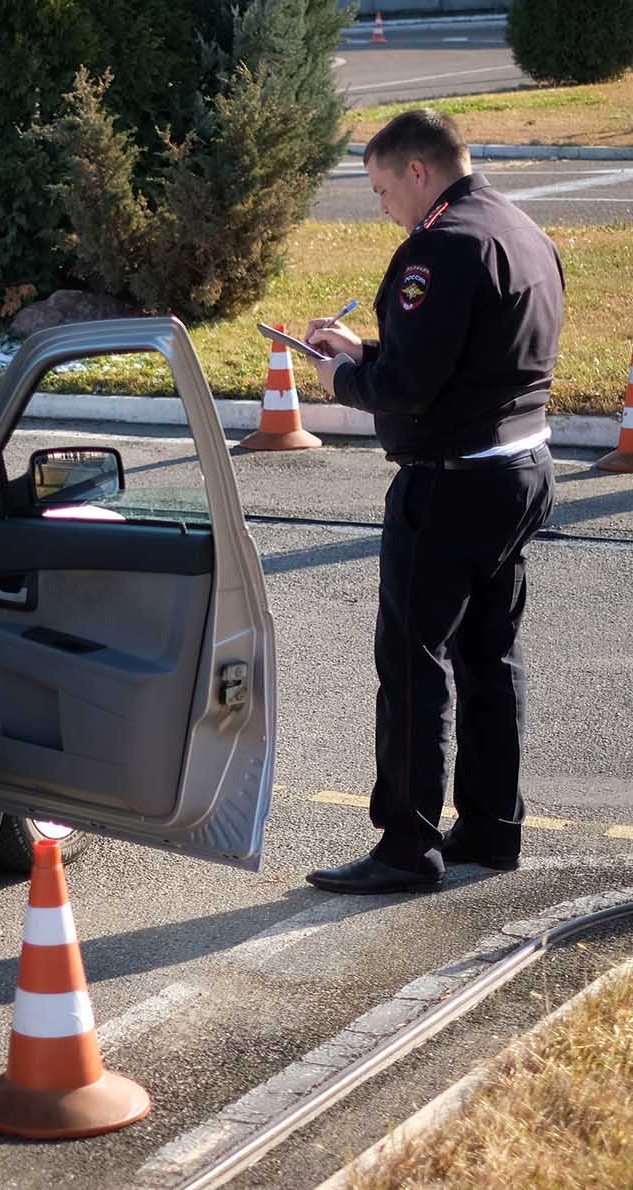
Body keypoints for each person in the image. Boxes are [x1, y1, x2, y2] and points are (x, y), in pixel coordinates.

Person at [302, 108, 562, 894]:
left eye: (383, 188)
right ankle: (491, 823)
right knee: (489, 652)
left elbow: (410, 390)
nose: (384, 205)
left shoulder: (439, 248)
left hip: (452, 481)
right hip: (521, 465)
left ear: (419, 171)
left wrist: (340, 379)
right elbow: (468, 356)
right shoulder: (520, 230)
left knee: (413, 659)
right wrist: (370, 349)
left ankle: (406, 843)